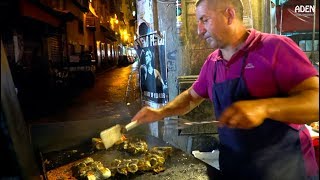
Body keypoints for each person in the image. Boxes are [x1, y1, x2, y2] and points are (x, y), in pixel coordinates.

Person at [131, 0, 319, 179]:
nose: (199, 30)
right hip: (234, 168)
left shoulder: (275, 47)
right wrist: (161, 112)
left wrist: (264, 108)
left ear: (229, 15)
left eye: (204, 20)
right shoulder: (213, 62)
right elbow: (190, 97)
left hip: (286, 169)